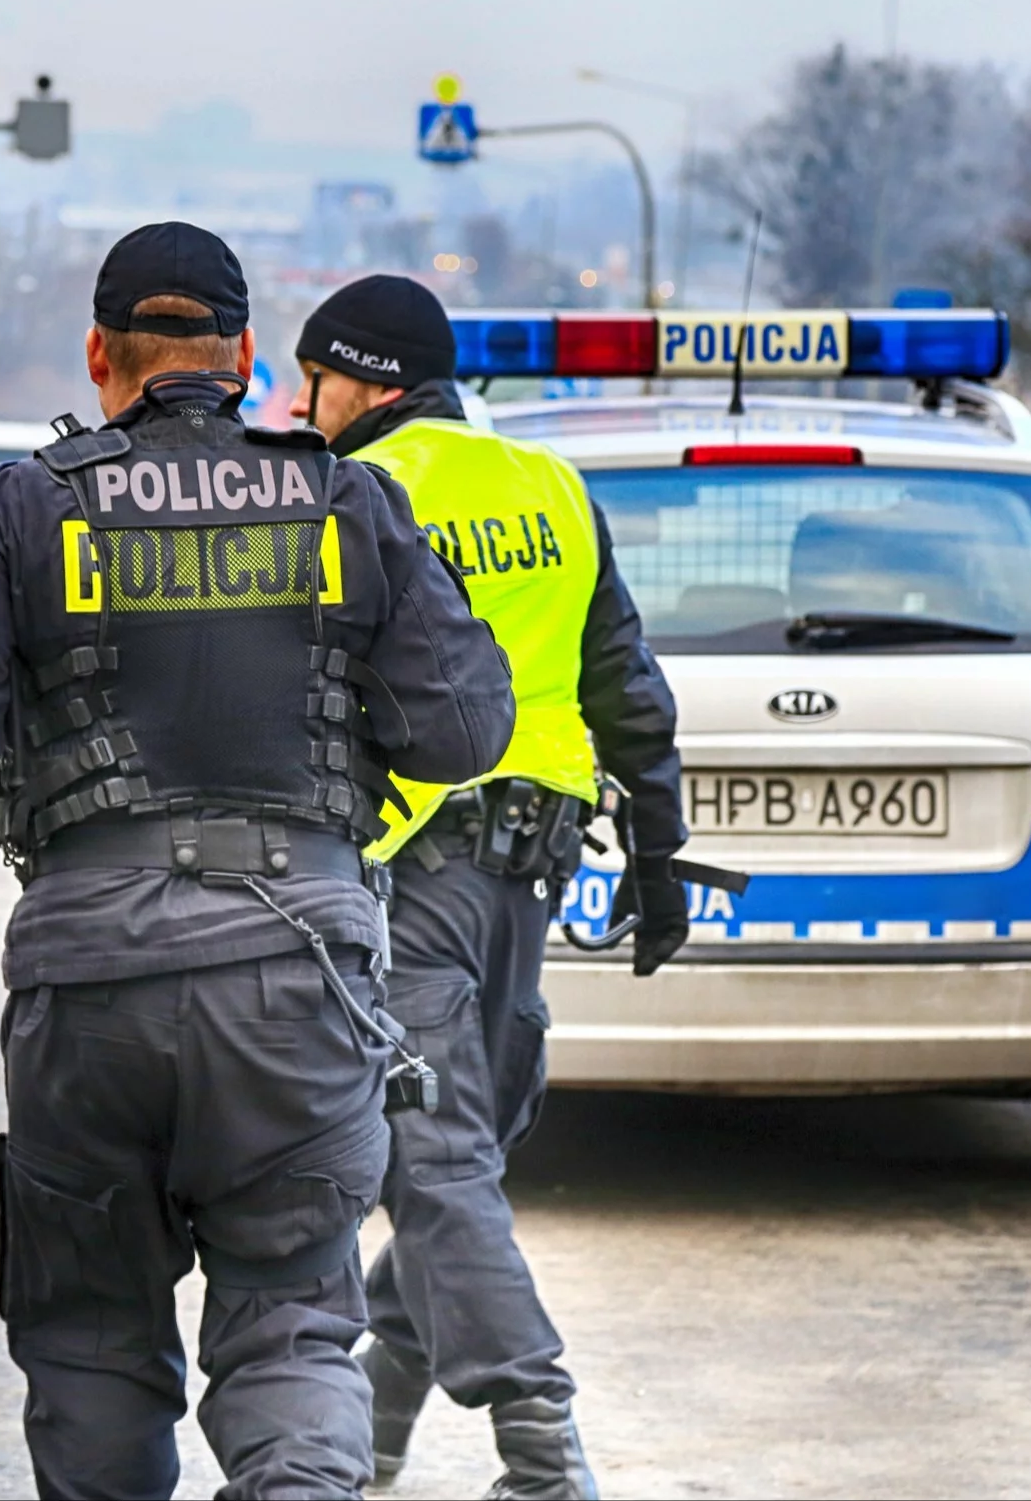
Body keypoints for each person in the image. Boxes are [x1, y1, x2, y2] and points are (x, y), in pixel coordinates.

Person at [0, 223, 517, 1499]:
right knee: (293, 1326)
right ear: (247, 358)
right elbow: (468, 725)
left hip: (88, 984)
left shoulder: (28, 502)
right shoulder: (345, 495)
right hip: (301, 979)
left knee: (92, 1339)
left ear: (101, 353)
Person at [289, 275, 690, 1501]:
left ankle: (540, 1445)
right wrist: (663, 844)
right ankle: (371, 1446)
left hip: (415, 865)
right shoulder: (553, 486)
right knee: (455, 1154)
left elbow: (301, 683)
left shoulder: (361, 489)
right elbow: (620, 673)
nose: (301, 407)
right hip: (534, 874)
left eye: (312, 381)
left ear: (366, 380)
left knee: (433, 1157)